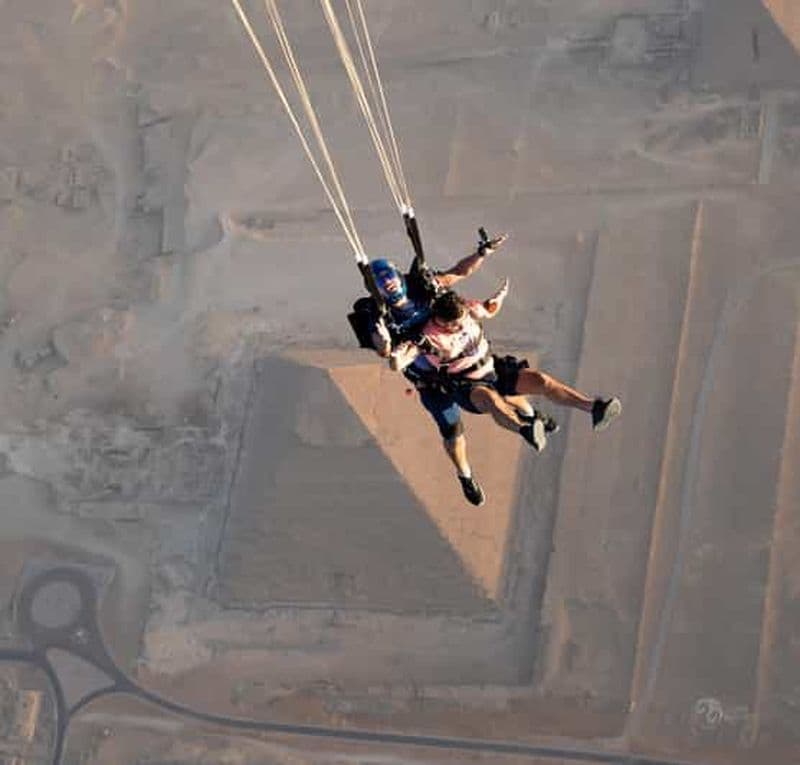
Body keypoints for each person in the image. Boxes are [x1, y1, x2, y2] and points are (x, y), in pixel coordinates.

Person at [349, 234, 553, 506]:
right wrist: (385, 343)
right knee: (453, 431)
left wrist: (482, 253)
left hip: (457, 360)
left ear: (400, 281)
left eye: (396, 288)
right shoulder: (375, 315)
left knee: (499, 385)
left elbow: (457, 273)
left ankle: (530, 414)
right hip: (431, 381)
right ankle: (465, 475)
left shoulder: (422, 286)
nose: (396, 296)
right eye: (390, 293)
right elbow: (383, 349)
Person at [391, 289, 621, 472]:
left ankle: (593, 407)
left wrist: (495, 293)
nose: (462, 325)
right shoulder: (429, 337)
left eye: (463, 319)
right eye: (456, 325)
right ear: (442, 322)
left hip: (494, 368)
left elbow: (486, 309)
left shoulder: (465, 310)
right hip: (467, 384)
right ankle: (525, 430)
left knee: (540, 381)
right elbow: (403, 359)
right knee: (492, 400)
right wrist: (394, 357)